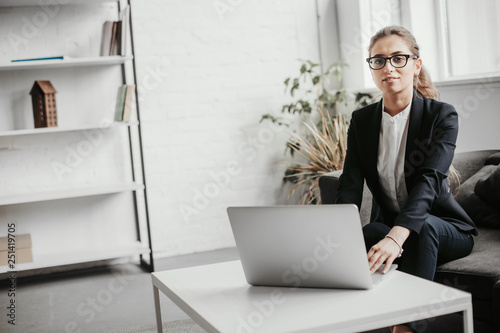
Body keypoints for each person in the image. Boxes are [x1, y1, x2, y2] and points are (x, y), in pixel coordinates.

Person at [335, 26, 477, 333]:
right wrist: (334, 237)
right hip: (390, 225)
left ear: (416, 65)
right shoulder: (363, 121)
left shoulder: (442, 116)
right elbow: (350, 184)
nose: (388, 68)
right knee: (369, 231)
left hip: (447, 228)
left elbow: (429, 181)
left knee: (421, 228)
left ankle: (405, 328)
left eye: (398, 58)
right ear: (371, 69)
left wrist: (395, 238)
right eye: (379, 60)